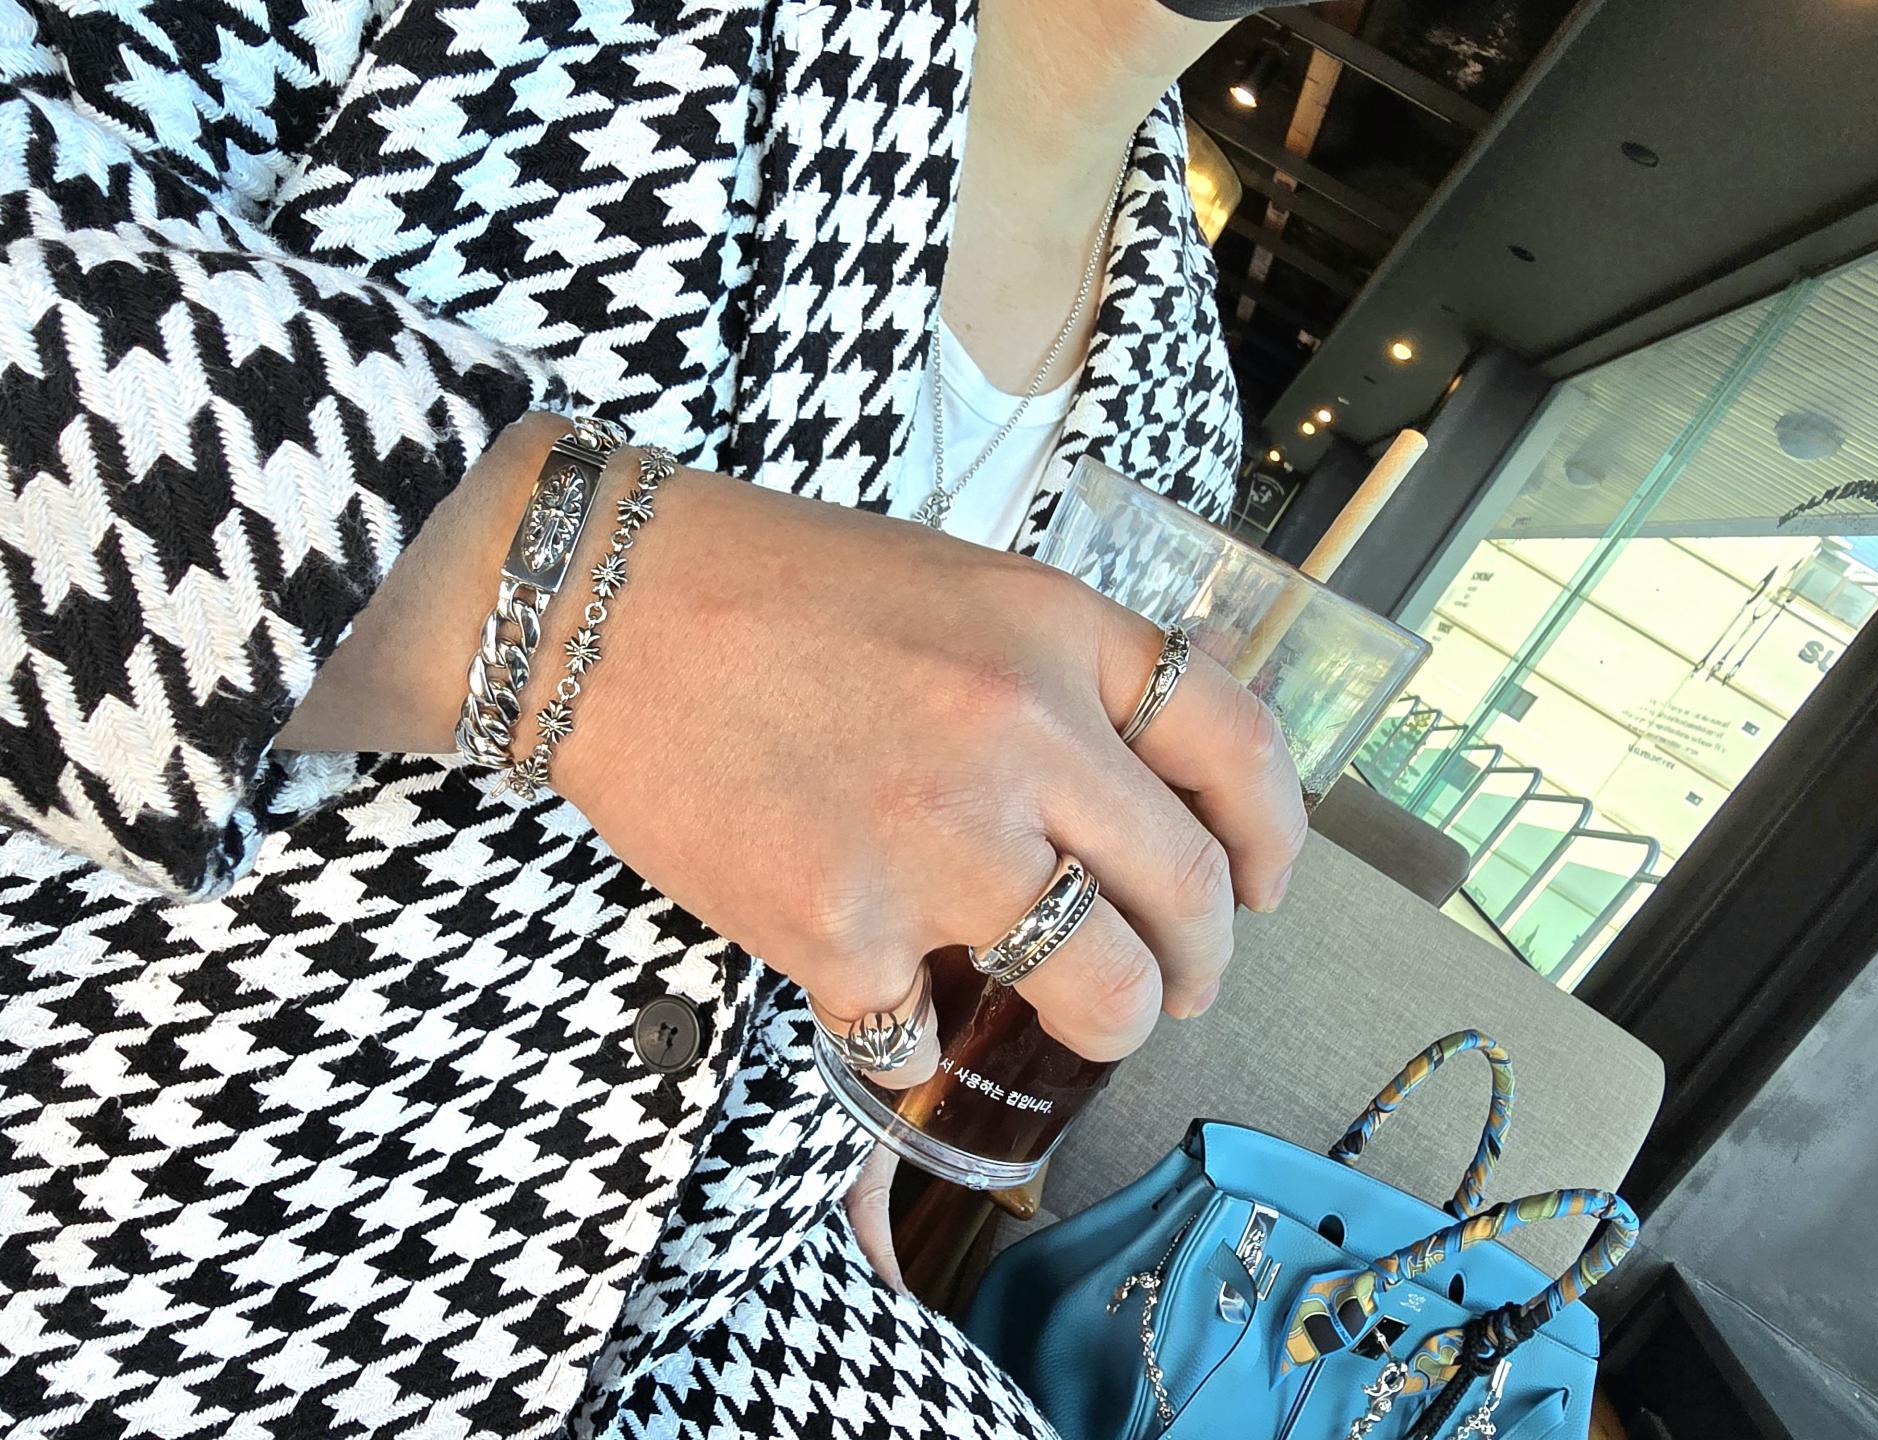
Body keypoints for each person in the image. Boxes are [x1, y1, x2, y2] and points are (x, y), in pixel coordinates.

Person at [0, 0, 1308, 1435]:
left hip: (715, 1300)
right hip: (133, 1227)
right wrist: (580, 604)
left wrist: (838, 1127)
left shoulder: (1186, 411)